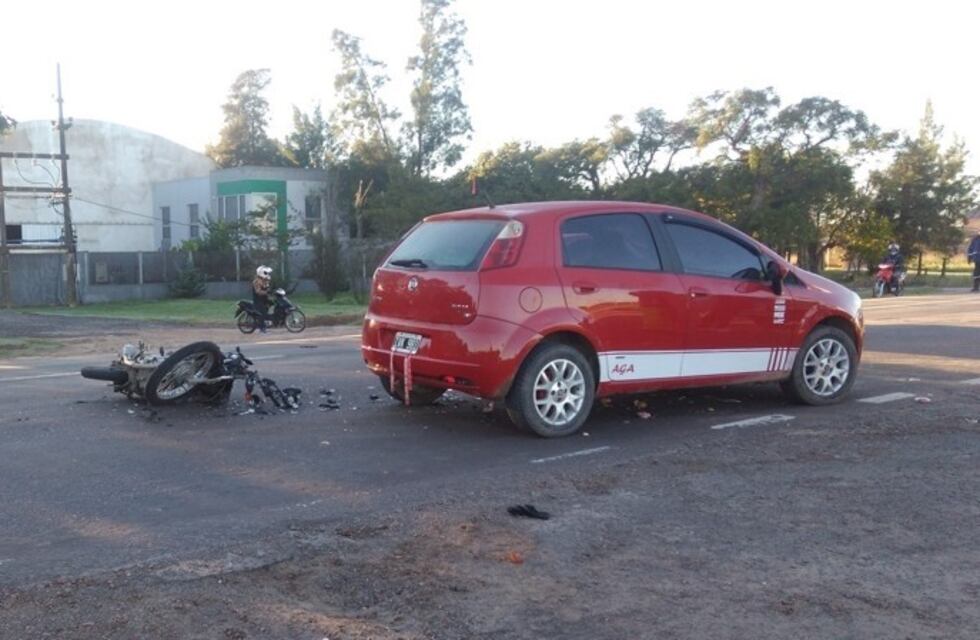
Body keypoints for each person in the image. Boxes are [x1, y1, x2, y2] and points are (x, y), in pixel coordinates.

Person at [252, 265, 273, 332]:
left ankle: (269, 322)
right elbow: (258, 292)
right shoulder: (256, 281)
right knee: (262, 313)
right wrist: (266, 292)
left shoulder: (265, 280)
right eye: (266, 273)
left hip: (264, 299)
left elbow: (268, 289)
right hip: (258, 300)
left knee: (272, 304)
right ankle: (262, 328)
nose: (267, 275)